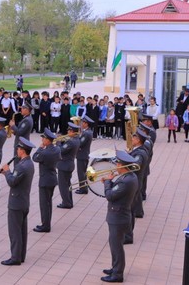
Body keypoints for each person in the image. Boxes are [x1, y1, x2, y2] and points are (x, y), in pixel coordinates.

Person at [100, 150, 139, 283]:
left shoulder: (125, 181)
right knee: (114, 245)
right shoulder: (129, 177)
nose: (116, 166)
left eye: (118, 164)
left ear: (122, 166)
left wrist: (107, 182)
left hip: (118, 217)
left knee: (116, 246)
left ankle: (117, 274)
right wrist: (110, 183)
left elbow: (110, 196)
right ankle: (115, 267)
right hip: (119, 215)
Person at [0, 136, 35, 266]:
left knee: (15, 231)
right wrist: (7, 173)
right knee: (22, 231)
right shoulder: (29, 163)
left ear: (23, 150)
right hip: (24, 201)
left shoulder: (21, 166)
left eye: (19, 149)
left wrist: (7, 172)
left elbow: (12, 182)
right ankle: (21, 255)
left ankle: (15, 257)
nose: (17, 151)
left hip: (16, 202)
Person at [32, 129, 61, 233]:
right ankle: (46, 223)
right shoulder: (57, 149)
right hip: (52, 178)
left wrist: (40, 148)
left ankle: (45, 226)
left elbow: (34, 158)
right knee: (48, 203)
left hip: (45, 180)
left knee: (44, 204)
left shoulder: (44, 152)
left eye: (43, 138)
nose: (42, 140)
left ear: (48, 140)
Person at [124, 129, 150, 245]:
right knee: (130, 210)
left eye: (133, 137)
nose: (132, 139)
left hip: (134, 184)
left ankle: (128, 236)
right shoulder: (139, 150)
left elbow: (135, 166)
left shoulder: (140, 153)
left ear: (138, 140)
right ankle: (127, 234)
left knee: (130, 211)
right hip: (135, 183)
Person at [56, 122, 81, 209]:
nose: (67, 132)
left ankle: (66, 203)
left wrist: (58, 141)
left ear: (73, 132)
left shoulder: (71, 142)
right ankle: (69, 202)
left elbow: (60, 150)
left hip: (64, 165)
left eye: (69, 131)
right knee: (67, 185)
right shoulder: (76, 139)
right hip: (68, 164)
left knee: (63, 186)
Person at [75, 115, 94, 195]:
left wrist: (75, 139)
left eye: (83, 122)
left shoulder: (86, 133)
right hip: (84, 155)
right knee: (82, 173)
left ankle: (83, 189)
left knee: (81, 173)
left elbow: (80, 143)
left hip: (82, 155)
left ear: (87, 124)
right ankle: (83, 188)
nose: (82, 124)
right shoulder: (87, 132)